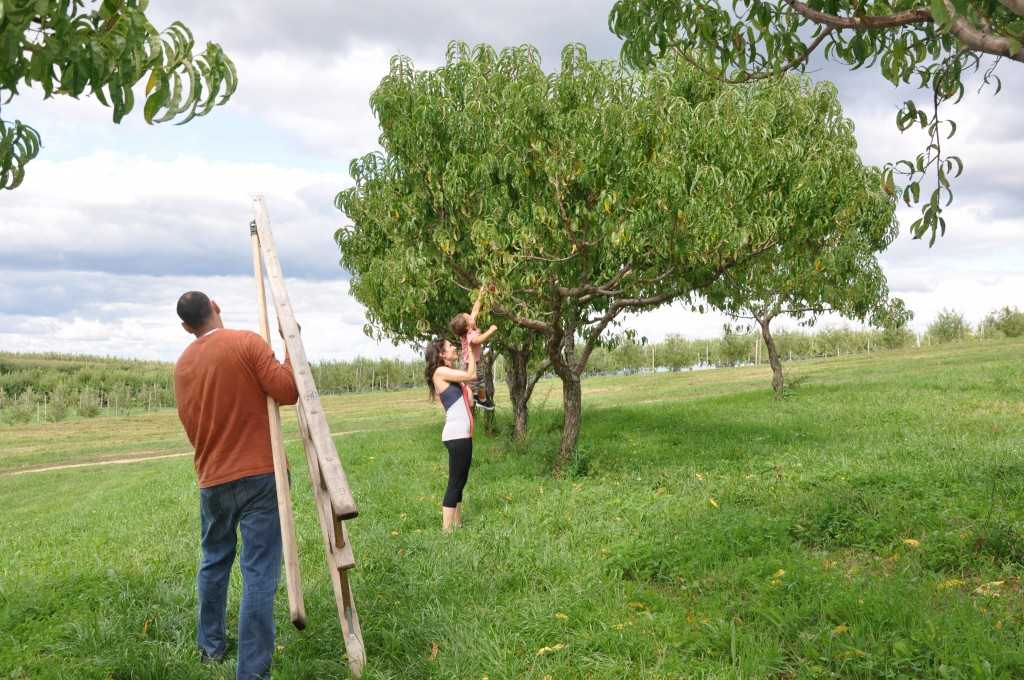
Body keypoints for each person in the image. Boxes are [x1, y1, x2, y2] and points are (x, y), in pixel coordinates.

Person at [172, 291, 299, 680]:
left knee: (214, 561)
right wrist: (291, 346)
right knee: (259, 571)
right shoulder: (246, 342)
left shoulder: (181, 367)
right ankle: (252, 672)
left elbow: (190, 423)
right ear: (216, 308)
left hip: (211, 478)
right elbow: (288, 390)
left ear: (185, 327)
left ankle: (211, 648)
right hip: (261, 474)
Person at [425, 337, 477, 533]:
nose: (454, 347)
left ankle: (458, 523)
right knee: (455, 482)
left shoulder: (452, 376)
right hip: (456, 436)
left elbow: (470, 402)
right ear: (441, 354)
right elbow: (471, 374)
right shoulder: (440, 371)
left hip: (463, 435)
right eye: (450, 346)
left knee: (460, 481)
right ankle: (447, 531)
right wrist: (470, 351)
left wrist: (467, 384)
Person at [449, 285, 498, 410]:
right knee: (480, 382)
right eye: (469, 318)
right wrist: (490, 331)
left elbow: (475, 310)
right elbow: (478, 340)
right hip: (472, 362)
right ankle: (482, 401)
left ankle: (474, 396)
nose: (472, 316)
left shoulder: (468, 328)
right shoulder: (471, 334)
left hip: (465, 360)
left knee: (471, 383)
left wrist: (481, 295)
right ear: (467, 327)